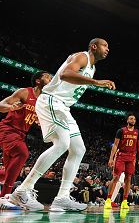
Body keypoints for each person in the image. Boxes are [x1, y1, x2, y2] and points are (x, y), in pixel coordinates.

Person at [10, 38, 115, 212]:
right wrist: (96, 82)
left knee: (78, 149)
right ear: (93, 47)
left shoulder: (93, 67)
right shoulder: (82, 57)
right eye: (105, 45)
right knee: (62, 144)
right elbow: (66, 74)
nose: (108, 49)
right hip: (52, 101)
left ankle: (62, 198)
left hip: (63, 108)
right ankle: (22, 190)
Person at [0, 71, 52, 209]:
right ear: (38, 81)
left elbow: (35, 117)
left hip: (21, 134)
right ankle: (4, 197)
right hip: (8, 129)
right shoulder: (24, 92)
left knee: (9, 172)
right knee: (23, 153)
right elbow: (1, 105)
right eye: (47, 77)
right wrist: (11, 107)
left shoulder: (42, 101)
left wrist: (39, 122)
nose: (50, 79)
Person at [104, 113, 139, 211]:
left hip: (132, 157)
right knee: (116, 177)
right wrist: (111, 158)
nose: (133, 120)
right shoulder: (121, 131)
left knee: (128, 178)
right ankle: (108, 200)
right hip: (121, 155)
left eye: (134, 119)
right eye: (131, 118)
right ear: (127, 120)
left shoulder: (138, 132)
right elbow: (115, 145)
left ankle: (124, 201)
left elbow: (138, 146)